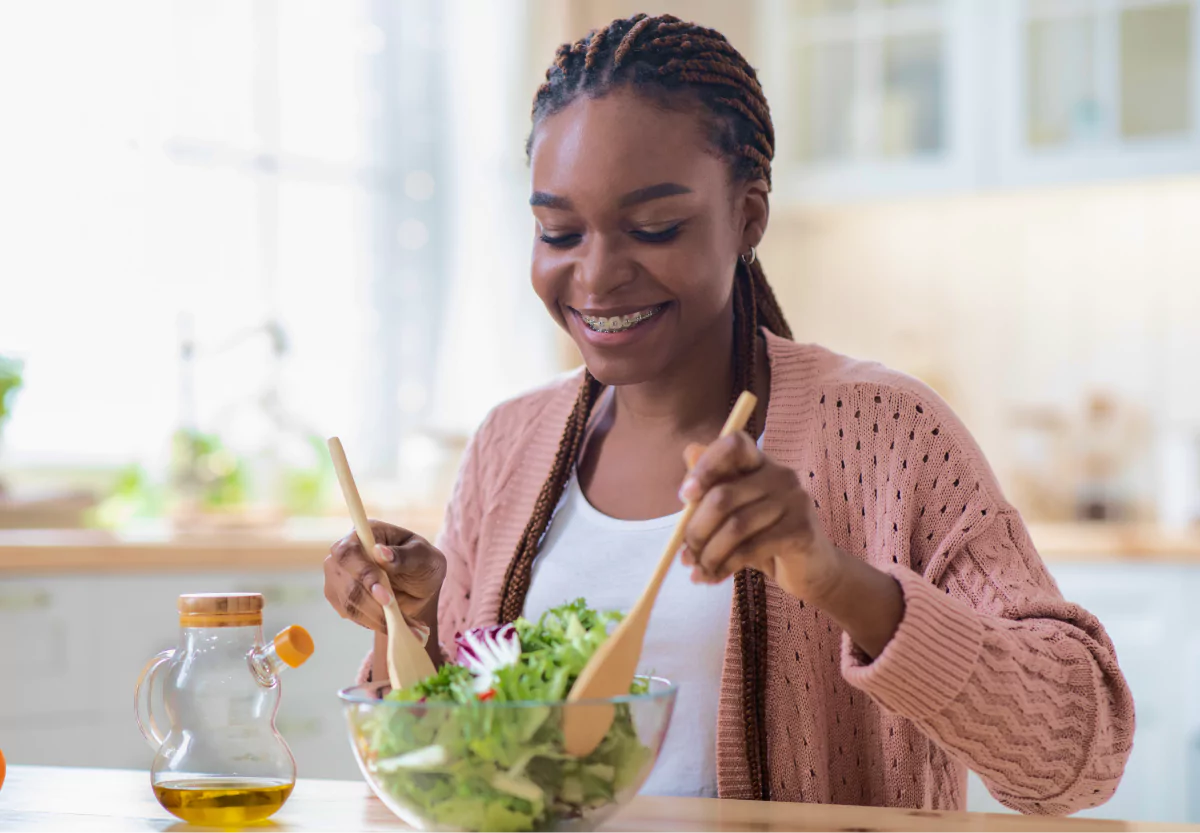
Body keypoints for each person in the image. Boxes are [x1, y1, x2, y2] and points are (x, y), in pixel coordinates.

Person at [325, 13, 1132, 813]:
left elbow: (1081, 756)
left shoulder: (888, 432)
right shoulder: (509, 443)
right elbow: (469, 765)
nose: (598, 276)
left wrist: (838, 579)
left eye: (654, 227)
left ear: (748, 216)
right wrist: (419, 626)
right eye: (558, 231)